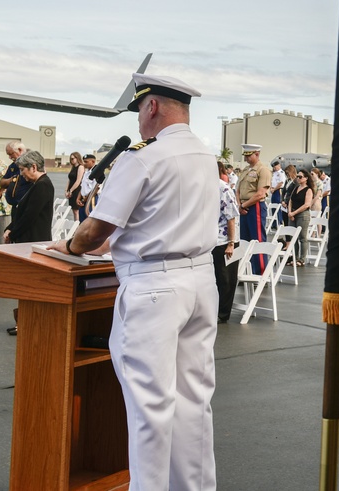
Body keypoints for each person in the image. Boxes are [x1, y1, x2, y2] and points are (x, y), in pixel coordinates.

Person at [47, 73, 219, 490]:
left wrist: (68, 246)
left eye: (139, 111)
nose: (139, 122)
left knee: (150, 406)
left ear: (152, 106)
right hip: (200, 281)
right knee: (193, 403)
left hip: (154, 289)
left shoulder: (144, 158)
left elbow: (93, 232)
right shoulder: (204, 155)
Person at [4, 150, 54, 245]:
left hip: (34, 241)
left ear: (33, 167)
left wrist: (12, 234)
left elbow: (29, 216)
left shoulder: (42, 185)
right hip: (30, 241)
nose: (21, 174)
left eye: (22, 169)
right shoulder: (37, 184)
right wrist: (9, 228)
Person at [237, 144, 270, 274]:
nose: (246, 159)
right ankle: (247, 271)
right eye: (245, 156)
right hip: (243, 207)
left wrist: (244, 206)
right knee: (244, 241)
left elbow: (260, 194)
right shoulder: (245, 170)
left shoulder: (263, 170)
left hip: (255, 206)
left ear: (257, 154)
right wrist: (239, 205)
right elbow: (238, 190)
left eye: (249, 156)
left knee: (257, 240)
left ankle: (260, 272)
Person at [213, 160, 240, 323]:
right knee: (214, 279)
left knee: (226, 280)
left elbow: (231, 217)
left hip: (225, 241)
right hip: (212, 240)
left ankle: (223, 314)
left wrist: (231, 243)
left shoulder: (223, 188)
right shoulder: (205, 186)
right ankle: (213, 310)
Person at [285, 169, 314, 267]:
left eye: (300, 177)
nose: (298, 178)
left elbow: (307, 204)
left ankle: (301, 259)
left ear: (306, 178)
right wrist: (289, 212)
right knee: (294, 237)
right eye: (297, 176)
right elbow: (290, 201)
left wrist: (294, 212)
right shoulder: (295, 188)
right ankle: (295, 257)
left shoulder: (308, 190)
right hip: (292, 214)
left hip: (302, 215)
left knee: (302, 237)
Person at [77, 153, 97, 222]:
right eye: (83, 161)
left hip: (91, 199)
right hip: (83, 200)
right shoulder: (86, 172)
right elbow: (83, 186)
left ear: (93, 161)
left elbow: (95, 189)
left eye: (86, 162)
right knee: (82, 221)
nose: (84, 164)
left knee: (90, 221)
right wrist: (78, 198)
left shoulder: (97, 172)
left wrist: (85, 200)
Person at [270, 160, 287, 225]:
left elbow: (281, 183)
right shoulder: (274, 173)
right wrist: (271, 188)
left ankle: (279, 221)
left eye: (275, 166)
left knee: (278, 206)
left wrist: (274, 189)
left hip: (278, 190)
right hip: (273, 190)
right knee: (273, 206)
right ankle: (274, 223)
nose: (274, 168)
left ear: (279, 165)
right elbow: (272, 181)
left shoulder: (281, 173)